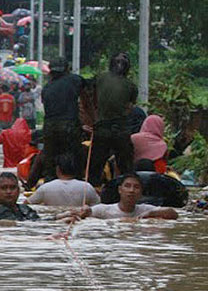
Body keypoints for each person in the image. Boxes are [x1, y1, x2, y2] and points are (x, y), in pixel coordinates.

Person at [87, 53, 138, 185]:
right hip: (120, 128)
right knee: (126, 165)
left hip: (102, 127)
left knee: (96, 164)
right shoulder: (130, 85)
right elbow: (129, 107)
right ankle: (127, 187)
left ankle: (93, 189)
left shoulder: (100, 78)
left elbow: (90, 97)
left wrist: (93, 117)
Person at [39, 57, 85, 182]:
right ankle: (78, 180)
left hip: (50, 128)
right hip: (69, 127)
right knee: (76, 155)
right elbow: (88, 94)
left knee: (50, 158)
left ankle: (49, 181)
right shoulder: (74, 80)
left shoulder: (47, 88)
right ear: (66, 69)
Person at [64, 173, 178, 221]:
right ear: (120, 190)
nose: (131, 191)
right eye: (127, 186)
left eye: (136, 187)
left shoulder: (145, 209)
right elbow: (82, 213)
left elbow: (172, 213)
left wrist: (148, 215)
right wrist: (86, 211)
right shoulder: (104, 210)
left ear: (141, 193)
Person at [27, 153, 100, 208]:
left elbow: (27, 204)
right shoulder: (87, 187)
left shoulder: (45, 188)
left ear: (58, 170)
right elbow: (97, 206)